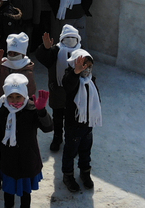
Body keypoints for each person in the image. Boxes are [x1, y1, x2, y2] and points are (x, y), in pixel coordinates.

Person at [0, 74, 51, 208]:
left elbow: (48, 128)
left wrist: (41, 111)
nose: (14, 100)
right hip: (8, 161)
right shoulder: (3, 111)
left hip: (27, 160)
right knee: (8, 194)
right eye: (10, 97)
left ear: (24, 94)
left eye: (18, 97)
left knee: (25, 194)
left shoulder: (32, 109)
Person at [60, 49, 102, 192]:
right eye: (82, 65)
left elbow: (95, 98)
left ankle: (85, 173)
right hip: (73, 125)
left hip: (87, 124)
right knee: (70, 151)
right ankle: (68, 175)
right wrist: (75, 72)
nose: (86, 69)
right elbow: (67, 84)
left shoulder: (91, 80)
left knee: (85, 150)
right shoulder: (72, 79)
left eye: (89, 66)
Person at [34, 25, 81, 152]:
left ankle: (71, 140)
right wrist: (45, 48)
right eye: (67, 38)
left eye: (73, 38)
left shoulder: (81, 54)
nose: (70, 40)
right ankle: (57, 137)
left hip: (74, 93)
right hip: (57, 92)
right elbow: (43, 58)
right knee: (58, 118)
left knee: (72, 119)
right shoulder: (55, 51)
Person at [0, 33, 37, 103]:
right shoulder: (3, 65)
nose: (12, 56)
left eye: (15, 54)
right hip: (2, 104)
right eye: (10, 53)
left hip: (19, 107)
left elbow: (31, 94)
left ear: (23, 54)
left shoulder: (27, 71)